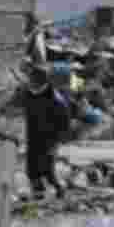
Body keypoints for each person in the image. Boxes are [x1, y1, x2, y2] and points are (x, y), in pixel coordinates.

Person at [24, 64, 72, 199]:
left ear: (41, 81)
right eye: (30, 80)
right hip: (33, 137)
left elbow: (64, 124)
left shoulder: (57, 100)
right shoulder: (30, 93)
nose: (30, 83)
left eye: (32, 80)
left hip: (49, 140)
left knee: (48, 172)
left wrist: (57, 144)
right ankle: (39, 195)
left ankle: (60, 191)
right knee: (32, 171)